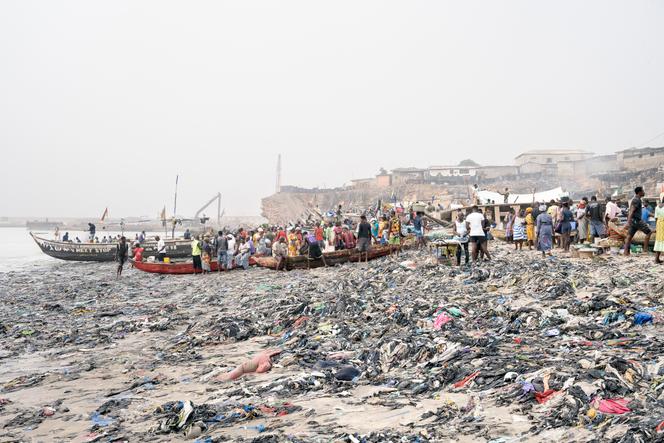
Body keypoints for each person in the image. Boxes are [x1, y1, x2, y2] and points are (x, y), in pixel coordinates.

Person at [624, 186, 652, 256]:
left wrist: (629, 221)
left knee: (629, 236)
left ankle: (626, 252)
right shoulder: (636, 200)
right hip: (636, 220)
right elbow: (631, 211)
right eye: (643, 191)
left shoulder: (636, 199)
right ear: (639, 192)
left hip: (633, 221)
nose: (644, 192)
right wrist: (628, 222)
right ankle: (645, 250)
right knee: (649, 232)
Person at [654, 195, 664, 264]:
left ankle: (656, 259)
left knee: (658, 240)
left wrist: (657, 226)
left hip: (659, 224)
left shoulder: (657, 207)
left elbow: (656, 218)